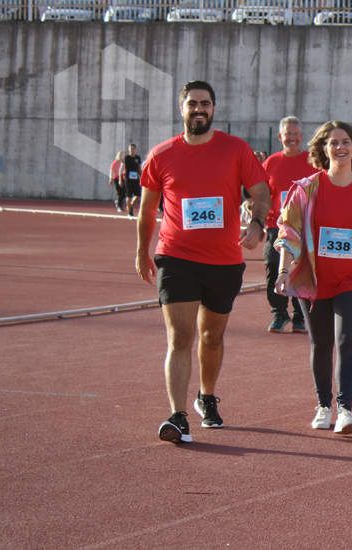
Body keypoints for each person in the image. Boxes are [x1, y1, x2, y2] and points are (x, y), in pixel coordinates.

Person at [136, 80, 270, 444]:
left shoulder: (235, 150)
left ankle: (206, 396)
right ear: (181, 108)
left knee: (211, 336)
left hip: (224, 260)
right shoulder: (161, 155)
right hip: (176, 257)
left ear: (214, 108)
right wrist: (141, 250)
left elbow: (260, 192)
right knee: (180, 337)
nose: (199, 109)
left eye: (205, 103)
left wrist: (258, 224)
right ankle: (177, 416)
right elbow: (148, 209)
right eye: (192, 103)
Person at [274, 121, 352, 434]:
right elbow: (289, 231)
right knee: (321, 343)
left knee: (347, 339)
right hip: (314, 279)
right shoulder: (306, 189)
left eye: (345, 143)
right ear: (323, 149)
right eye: (333, 143)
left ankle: (346, 409)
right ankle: (323, 404)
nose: (340, 148)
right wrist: (284, 270)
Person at [262, 116, 314, 333]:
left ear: (301, 137)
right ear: (280, 136)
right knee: (273, 265)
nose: (291, 138)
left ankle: (301, 315)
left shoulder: (312, 161)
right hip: (277, 226)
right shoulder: (271, 162)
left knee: (304, 268)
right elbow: (264, 194)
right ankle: (279, 314)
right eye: (287, 134)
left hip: (306, 226)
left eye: (295, 134)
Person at [124, 143, 143, 217]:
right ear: (128, 150)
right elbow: (123, 168)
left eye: (133, 149)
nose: (132, 150)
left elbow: (139, 168)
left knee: (138, 195)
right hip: (128, 180)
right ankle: (129, 212)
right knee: (129, 196)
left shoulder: (138, 157)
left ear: (135, 150)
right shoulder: (126, 157)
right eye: (131, 149)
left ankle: (130, 205)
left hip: (136, 179)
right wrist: (120, 178)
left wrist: (142, 177)